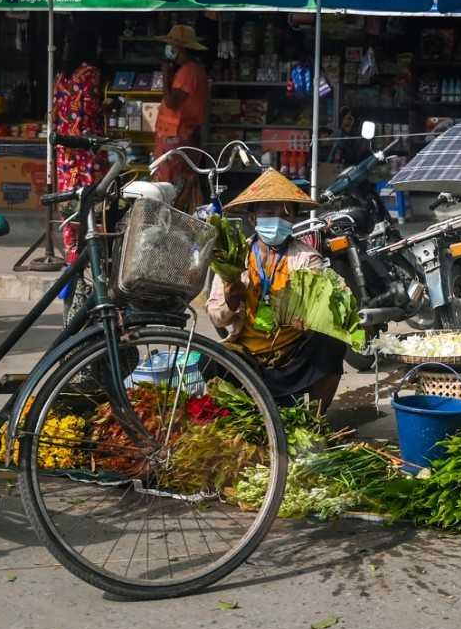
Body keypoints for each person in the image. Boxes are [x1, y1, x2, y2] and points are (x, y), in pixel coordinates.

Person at [206, 169, 358, 413]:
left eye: (285, 215)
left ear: (293, 221)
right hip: (248, 355)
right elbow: (216, 317)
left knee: (331, 343)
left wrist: (310, 319)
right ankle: (246, 413)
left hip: (292, 355)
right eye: (268, 213)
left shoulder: (307, 258)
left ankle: (313, 420)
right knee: (210, 361)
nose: (277, 221)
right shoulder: (234, 259)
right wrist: (231, 299)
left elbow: (320, 305)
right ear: (253, 218)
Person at [52, 32, 107, 262]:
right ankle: (94, 259)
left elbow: (55, 112)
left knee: (69, 205)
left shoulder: (61, 75)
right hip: (87, 151)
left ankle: (72, 257)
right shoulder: (90, 74)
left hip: (65, 153)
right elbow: (90, 109)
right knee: (95, 206)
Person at [152, 23, 211, 210]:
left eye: (172, 45)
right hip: (179, 136)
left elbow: (171, 102)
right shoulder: (190, 70)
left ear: (179, 48)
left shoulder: (188, 71)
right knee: (181, 185)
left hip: (178, 138)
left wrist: (165, 75)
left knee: (172, 187)